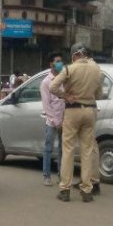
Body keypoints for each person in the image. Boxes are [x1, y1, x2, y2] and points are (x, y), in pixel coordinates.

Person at [50, 43, 102, 203]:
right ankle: (87, 190)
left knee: (68, 150)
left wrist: (65, 96)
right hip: (90, 110)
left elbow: (53, 87)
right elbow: (99, 94)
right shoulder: (96, 69)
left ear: (74, 55)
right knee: (87, 151)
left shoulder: (70, 69)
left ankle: (65, 189)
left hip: (73, 110)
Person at [40, 52, 65, 187]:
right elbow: (46, 105)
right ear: (51, 64)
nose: (60, 63)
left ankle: (62, 175)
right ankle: (47, 175)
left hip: (64, 119)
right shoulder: (46, 82)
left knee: (63, 149)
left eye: (61, 61)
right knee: (48, 148)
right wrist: (55, 121)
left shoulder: (64, 79)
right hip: (52, 121)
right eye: (57, 61)